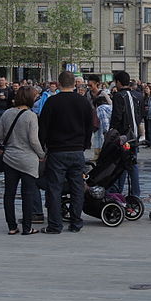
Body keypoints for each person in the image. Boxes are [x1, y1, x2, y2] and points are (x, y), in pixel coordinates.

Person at [38, 71, 95, 234]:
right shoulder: (83, 102)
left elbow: (43, 127)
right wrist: (84, 144)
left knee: (54, 188)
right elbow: (89, 126)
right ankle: (76, 222)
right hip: (77, 150)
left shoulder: (52, 102)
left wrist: (42, 148)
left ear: (59, 83)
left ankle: (55, 225)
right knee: (77, 187)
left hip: (57, 150)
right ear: (74, 84)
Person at [0, 86, 45, 235]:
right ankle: (27, 227)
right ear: (30, 98)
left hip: (10, 158)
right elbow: (34, 140)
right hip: (28, 160)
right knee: (28, 194)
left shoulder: (6, 113)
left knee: (9, 194)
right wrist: (41, 154)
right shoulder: (31, 116)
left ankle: (12, 227)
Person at [109, 71, 143, 197]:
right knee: (130, 163)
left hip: (123, 135)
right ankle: (135, 193)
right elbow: (140, 115)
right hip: (133, 135)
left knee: (122, 164)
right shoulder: (137, 95)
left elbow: (117, 116)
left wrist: (112, 131)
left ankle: (118, 190)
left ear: (118, 82)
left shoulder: (119, 96)